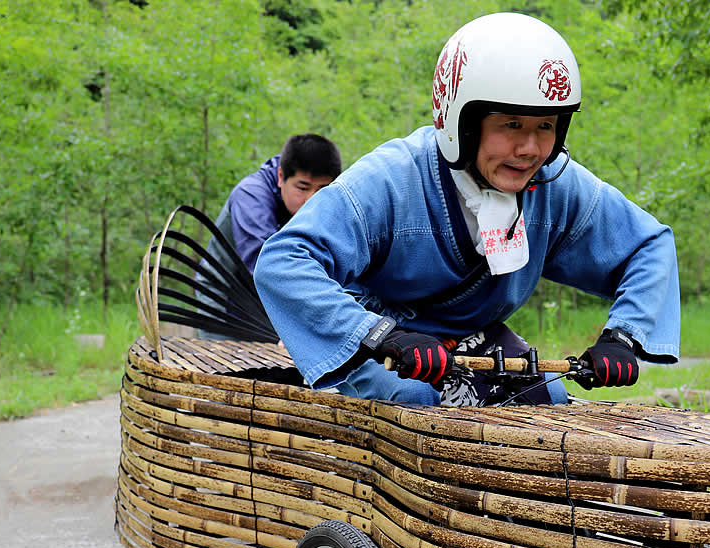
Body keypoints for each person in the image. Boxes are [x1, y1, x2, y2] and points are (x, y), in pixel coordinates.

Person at [253, 12, 680, 406]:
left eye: (545, 126)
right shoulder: (390, 179)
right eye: (511, 125)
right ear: (462, 123)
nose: (529, 149)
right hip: (379, 342)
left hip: (474, 341)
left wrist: (622, 336)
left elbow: (648, 245)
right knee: (416, 404)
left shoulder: (557, 184)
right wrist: (377, 333)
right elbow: (283, 260)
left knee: (546, 402)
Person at [208, 133, 342, 277]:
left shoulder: (333, 199)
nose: (311, 200)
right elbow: (267, 268)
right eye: (303, 188)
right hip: (222, 291)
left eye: (322, 190)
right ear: (280, 176)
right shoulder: (250, 196)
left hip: (275, 284)